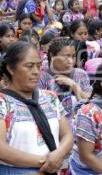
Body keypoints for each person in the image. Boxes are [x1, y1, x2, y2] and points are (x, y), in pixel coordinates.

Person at [0, 42, 73, 174]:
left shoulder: (50, 98)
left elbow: (67, 135)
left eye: (39, 66)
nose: (36, 72)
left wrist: (58, 154)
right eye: (29, 66)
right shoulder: (2, 102)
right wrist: (45, 161)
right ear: (11, 68)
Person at [38, 39, 92, 123]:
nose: (71, 61)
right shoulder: (42, 77)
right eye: (66, 57)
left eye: (73, 56)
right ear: (52, 56)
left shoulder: (80, 74)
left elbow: (90, 104)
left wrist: (74, 85)